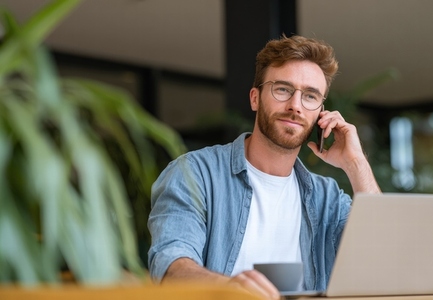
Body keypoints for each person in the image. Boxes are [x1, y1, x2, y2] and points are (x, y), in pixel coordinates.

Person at [148, 35, 381, 299]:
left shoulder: (327, 197)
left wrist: (356, 163)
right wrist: (228, 289)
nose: (295, 105)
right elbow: (170, 264)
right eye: (282, 89)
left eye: (310, 96)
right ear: (255, 98)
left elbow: (383, 257)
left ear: (321, 113)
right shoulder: (194, 174)